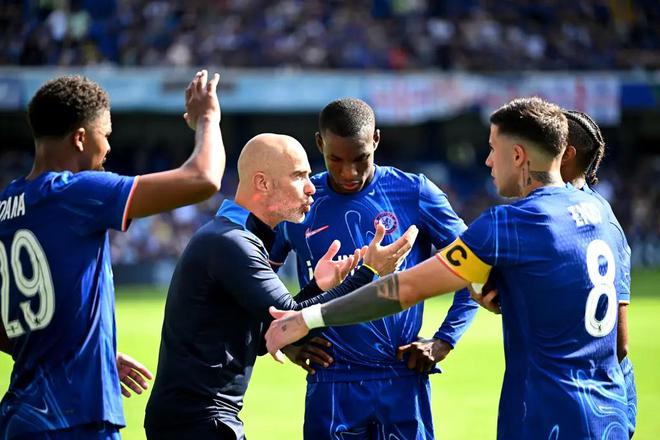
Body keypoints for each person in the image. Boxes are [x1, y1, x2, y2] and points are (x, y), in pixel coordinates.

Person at [266, 97, 631, 439]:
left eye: (492, 149)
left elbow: (408, 288)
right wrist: (291, 340)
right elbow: (621, 344)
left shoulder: (501, 222)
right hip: (609, 407)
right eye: (336, 159)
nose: (487, 161)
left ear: (518, 155)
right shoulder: (603, 214)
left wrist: (306, 319)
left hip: (534, 410)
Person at [143, 133, 418, 440]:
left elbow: (269, 334)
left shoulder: (232, 237)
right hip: (198, 422)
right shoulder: (231, 242)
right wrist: (368, 271)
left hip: (196, 419)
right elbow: (292, 323)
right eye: (299, 176)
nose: (311, 187)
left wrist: (317, 287)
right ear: (262, 183)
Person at [0, 70, 225, 439]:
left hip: (20, 417)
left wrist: (89, 355)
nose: (107, 148)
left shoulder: (7, 204)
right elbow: (203, 178)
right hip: (75, 418)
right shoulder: (75, 192)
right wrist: (208, 118)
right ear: (80, 138)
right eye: (105, 135)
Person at [268, 98, 477, 439]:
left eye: (360, 158)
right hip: (331, 379)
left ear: (376, 140)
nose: (349, 172)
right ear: (319, 144)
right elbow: (256, 282)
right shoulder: (300, 201)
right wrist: (287, 341)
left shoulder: (414, 192)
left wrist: (444, 341)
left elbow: (474, 267)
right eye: (336, 160)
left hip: (402, 376)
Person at [473, 108, 637, 438]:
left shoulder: (544, 218)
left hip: (557, 408)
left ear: (565, 153)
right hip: (611, 405)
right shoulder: (602, 216)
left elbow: (618, 340)